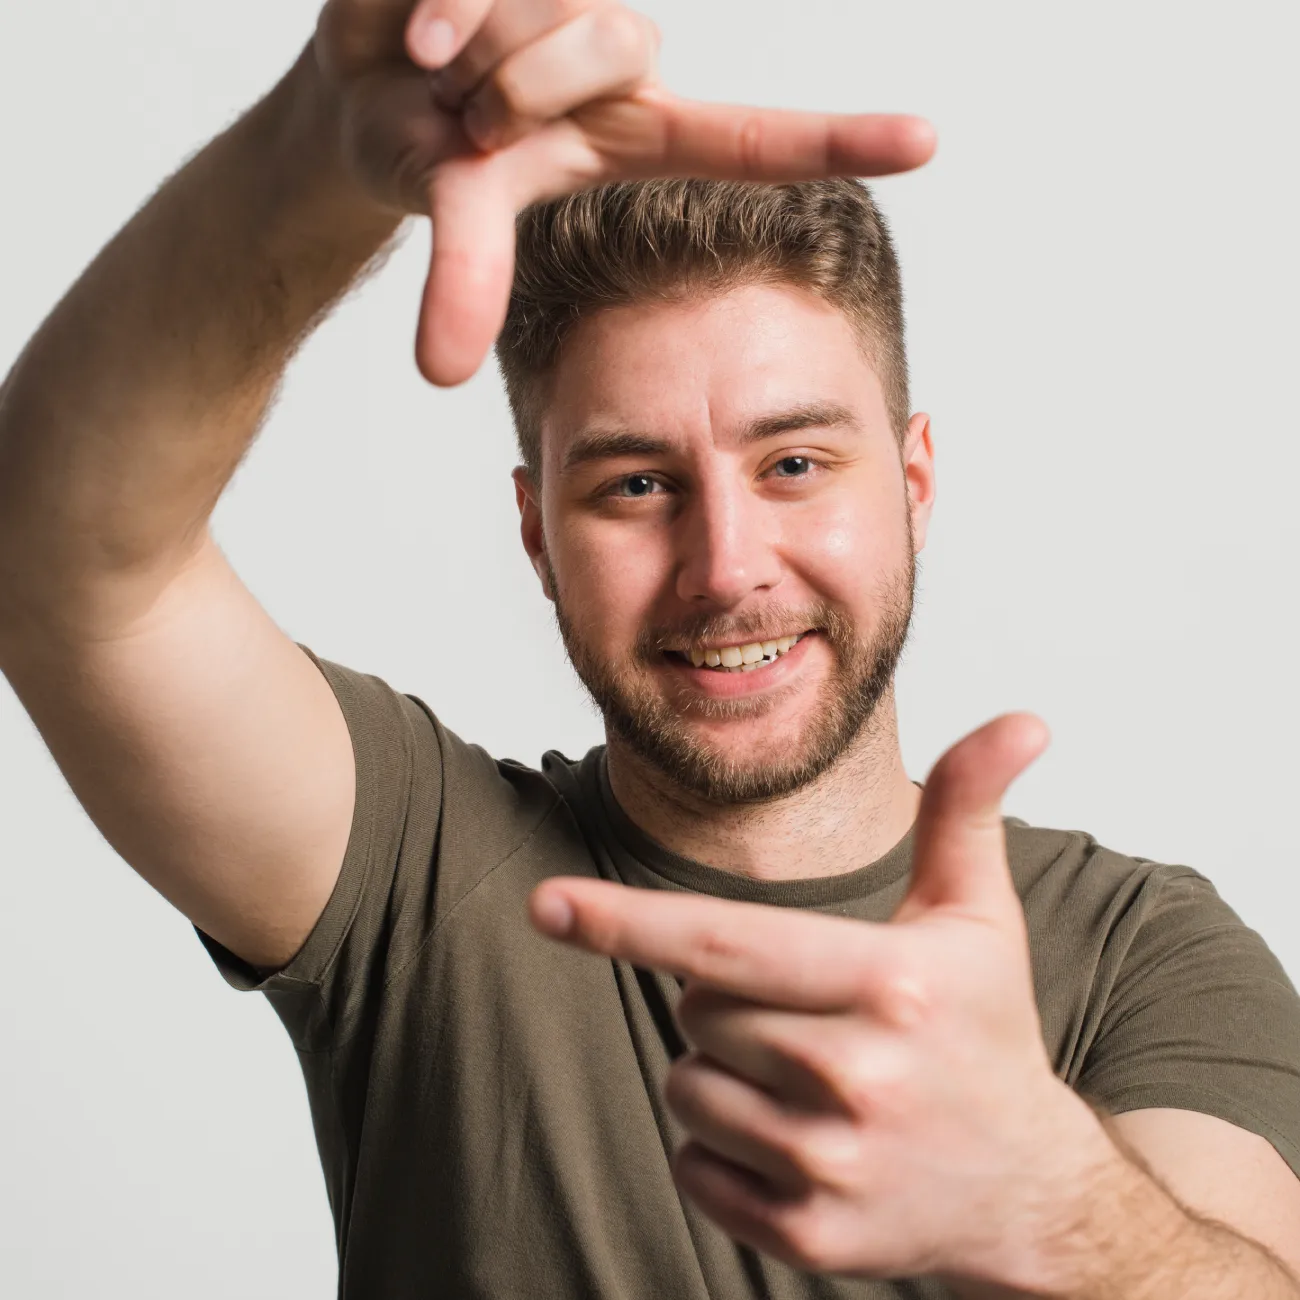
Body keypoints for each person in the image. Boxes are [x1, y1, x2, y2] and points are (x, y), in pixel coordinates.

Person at [0, 0, 1297, 1296]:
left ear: (913, 483)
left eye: (794, 463)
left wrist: (1051, 1207)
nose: (726, 567)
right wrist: (306, 161)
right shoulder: (415, 877)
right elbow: (60, 562)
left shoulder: (1139, 951)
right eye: (634, 485)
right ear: (536, 532)